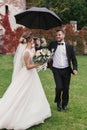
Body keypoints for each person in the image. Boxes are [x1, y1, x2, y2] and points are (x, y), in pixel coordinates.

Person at [0, 32, 51, 130]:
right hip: (27, 74)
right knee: (23, 93)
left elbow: (33, 59)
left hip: (32, 74)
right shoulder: (26, 52)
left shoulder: (30, 49)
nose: (34, 42)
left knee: (33, 92)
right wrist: (39, 64)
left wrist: (40, 57)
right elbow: (28, 66)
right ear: (29, 41)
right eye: (32, 40)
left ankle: (35, 110)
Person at [48, 29, 78, 111]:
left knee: (66, 88)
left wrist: (75, 69)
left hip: (66, 70)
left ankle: (64, 104)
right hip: (56, 69)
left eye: (59, 35)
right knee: (59, 87)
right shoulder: (52, 44)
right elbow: (45, 51)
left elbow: (74, 59)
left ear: (63, 35)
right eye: (57, 35)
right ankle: (58, 102)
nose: (57, 36)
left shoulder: (69, 47)